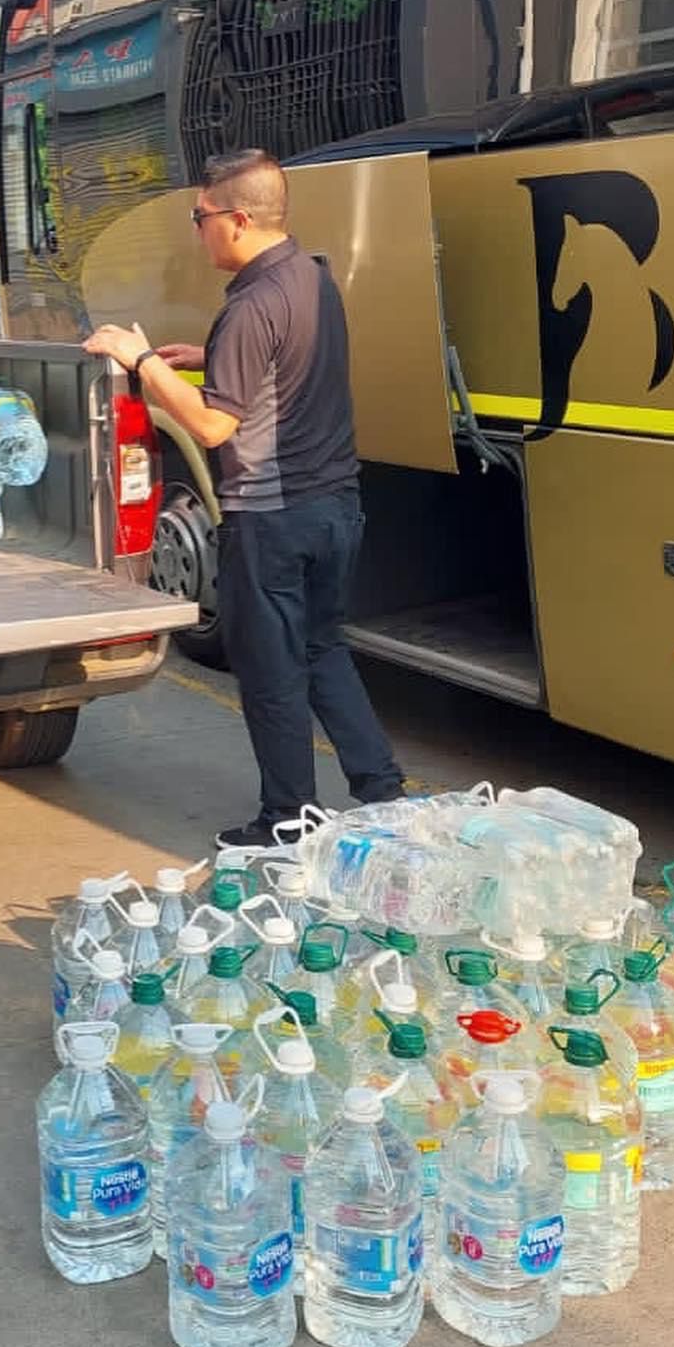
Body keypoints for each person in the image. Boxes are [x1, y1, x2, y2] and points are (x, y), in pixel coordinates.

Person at [84, 148, 403, 846]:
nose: (196, 230)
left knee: (270, 675)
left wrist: (136, 361)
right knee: (323, 649)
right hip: (335, 507)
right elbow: (286, 364)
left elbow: (210, 424)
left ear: (237, 218)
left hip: (272, 517)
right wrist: (205, 357)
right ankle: (383, 792)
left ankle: (287, 820)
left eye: (199, 217)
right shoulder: (310, 278)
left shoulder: (251, 306)